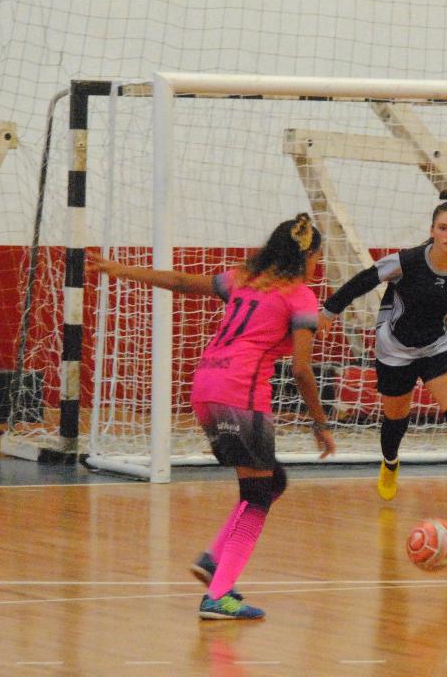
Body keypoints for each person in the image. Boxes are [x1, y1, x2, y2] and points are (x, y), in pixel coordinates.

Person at [89, 213, 334, 620]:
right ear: (306, 257)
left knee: (272, 480)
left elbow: (184, 283)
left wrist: (121, 270)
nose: (316, 267)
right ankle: (218, 595)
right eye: (316, 259)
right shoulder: (300, 297)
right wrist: (320, 423)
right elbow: (303, 370)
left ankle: (212, 561)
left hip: (205, 386)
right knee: (256, 496)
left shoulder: (242, 278)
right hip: (241, 392)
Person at [320, 189, 447, 512]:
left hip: (435, 347)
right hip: (394, 350)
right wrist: (330, 311)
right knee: (395, 421)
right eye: (443, 228)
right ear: (432, 230)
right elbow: (363, 280)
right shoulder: (406, 261)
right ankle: (389, 462)